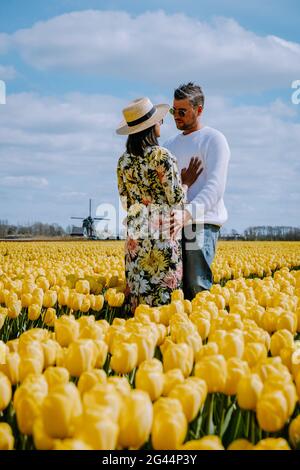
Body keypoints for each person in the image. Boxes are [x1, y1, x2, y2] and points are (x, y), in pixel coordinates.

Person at [116, 97, 202, 312]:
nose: (161, 124)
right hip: (162, 235)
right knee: (163, 300)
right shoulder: (162, 156)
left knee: (139, 295)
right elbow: (177, 201)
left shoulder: (123, 161)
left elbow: (126, 202)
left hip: (136, 236)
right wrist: (186, 183)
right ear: (150, 127)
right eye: (159, 120)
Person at [164, 82, 230, 300]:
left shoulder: (214, 139)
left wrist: (188, 213)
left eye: (182, 111)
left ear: (199, 110)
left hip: (200, 222)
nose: (176, 116)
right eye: (174, 111)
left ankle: (201, 331)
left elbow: (215, 187)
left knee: (196, 284)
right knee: (174, 286)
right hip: (175, 222)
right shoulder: (168, 145)